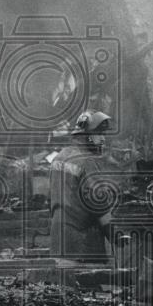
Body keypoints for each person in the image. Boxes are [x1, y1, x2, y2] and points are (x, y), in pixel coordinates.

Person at [49, 110, 114, 260]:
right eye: (100, 134)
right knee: (87, 283)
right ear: (88, 136)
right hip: (83, 246)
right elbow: (99, 205)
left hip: (59, 241)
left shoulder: (58, 158)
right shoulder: (87, 162)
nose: (103, 139)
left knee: (63, 283)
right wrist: (115, 236)